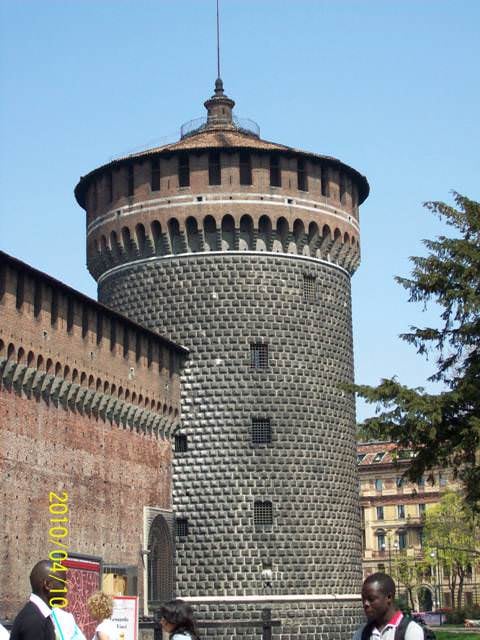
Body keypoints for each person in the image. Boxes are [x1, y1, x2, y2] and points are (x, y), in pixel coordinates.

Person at [353, 572, 424, 640]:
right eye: (363, 599)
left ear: (389, 597)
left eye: (371, 599)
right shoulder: (362, 633)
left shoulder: (410, 630)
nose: (366, 604)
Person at [10, 560, 60, 640]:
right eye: (62, 584)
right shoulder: (34, 619)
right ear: (47, 585)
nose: (66, 590)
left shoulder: (41, 615)